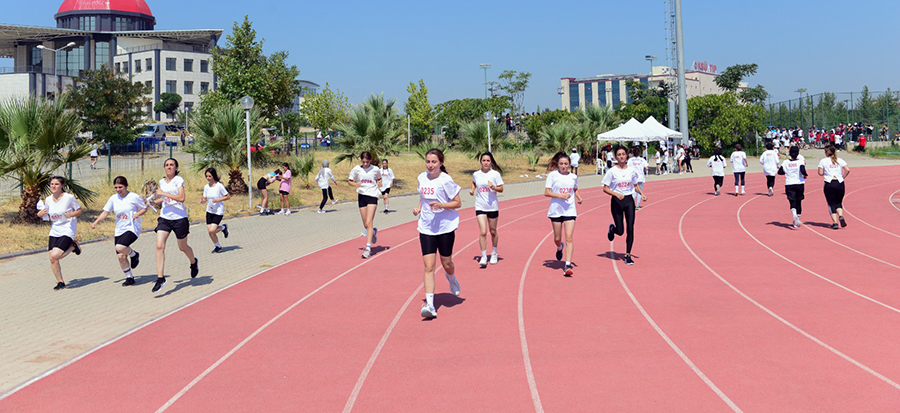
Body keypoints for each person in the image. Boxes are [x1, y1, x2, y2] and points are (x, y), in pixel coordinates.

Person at [414, 148, 462, 318]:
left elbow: (458, 203)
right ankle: (430, 305)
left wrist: (441, 205)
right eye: (428, 161)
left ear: (441, 163)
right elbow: (422, 196)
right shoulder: (421, 177)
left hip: (445, 227)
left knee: (446, 262)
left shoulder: (446, 180)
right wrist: (419, 208)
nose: (430, 165)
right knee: (429, 266)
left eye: (434, 162)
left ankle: (452, 279)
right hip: (426, 227)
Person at [151, 158, 199, 293]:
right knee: (159, 246)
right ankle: (160, 278)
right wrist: (156, 202)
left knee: (182, 247)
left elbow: (181, 198)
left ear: (176, 168)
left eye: (171, 165)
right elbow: (165, 199)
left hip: (179, 218)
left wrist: (163, 193)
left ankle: (193, 262)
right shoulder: (161, 182)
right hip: (165, 217)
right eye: (166, 165)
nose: (169, 167)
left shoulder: (179, 180)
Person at [91, 176, 148, 286]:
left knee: (120, 247)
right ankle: (129, 277)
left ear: (126, 186)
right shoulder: (113, 198)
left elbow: (144, 208)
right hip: (119, 229)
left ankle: (134, 255)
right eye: (116, 187)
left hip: (132, 227)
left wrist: (137, 214)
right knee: (121, 256)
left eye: (120, 187)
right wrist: (96, 221)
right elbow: (106, 212)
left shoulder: (134, 197)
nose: (118, 189)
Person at [603, 145, 646, 266]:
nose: (621, 157)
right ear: (616, 157)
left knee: (631, 228)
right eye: (619, 155)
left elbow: (635, 185)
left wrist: (642, 194)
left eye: (623, 154)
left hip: (629, 201)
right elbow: (605, 188)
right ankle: (612, 229)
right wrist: (616, 194)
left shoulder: (632, 170)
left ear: (627, 155)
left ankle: (628, 255)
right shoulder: (612, 171)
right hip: (617, 201)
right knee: (621, 231)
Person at [37, 176, 82, 290]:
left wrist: (71, 215)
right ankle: (60, 282)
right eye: (52, 184)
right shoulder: (48, 199)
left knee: (56, 255)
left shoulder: (69, 198)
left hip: (68, 227)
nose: (53, 186)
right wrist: (40, 214)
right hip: (55, 229)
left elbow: (79, 210)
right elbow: (45, 214)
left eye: (56, 184)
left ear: (62, 185)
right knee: (52, 258)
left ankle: (72, 246)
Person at [544, 152, 583, 276]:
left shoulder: (573, 177)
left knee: (569, 237)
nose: (563, 166)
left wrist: (578, 196)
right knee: (557, 238)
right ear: (558, 164)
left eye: (566, 164)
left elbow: (575, 188)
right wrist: (560, 195)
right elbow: (547, 192)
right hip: (556, 210)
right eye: (561, 164)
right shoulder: (552, 175)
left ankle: (567, 265)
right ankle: (559, 246)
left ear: (570, 164)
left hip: (570, 209)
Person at [470, 152, 504, 267]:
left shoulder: (495, 174)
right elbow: (474, 182)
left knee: (493, 231)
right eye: (484, 160)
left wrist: (493, 187)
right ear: (480, 162)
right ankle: (484, 256)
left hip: (492, 206)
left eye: (488, 161)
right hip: (480, 206)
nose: (485, 163)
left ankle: (494, 253)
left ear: (491, 162)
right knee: (483, 232)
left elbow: (501, 189)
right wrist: (472, 189)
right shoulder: (476, 174)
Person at [349, 151, 382, 258]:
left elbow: (379, 177)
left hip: (372, 196)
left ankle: (368, 248)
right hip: (362, 196)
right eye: (363, 162)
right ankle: (372, 232)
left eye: (367, 162)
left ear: (370, 160)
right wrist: (355, 184)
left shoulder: (375, 169)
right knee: (366, 225)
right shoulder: (357, 169)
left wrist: (379, 182)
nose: (365, 164)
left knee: (369, 221)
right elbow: (349, 181)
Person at [817, 146, 850, 229]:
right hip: (839, 182)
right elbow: (847, 170)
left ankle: (835, 222)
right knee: (839, 202)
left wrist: (826, 171)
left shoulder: (823, 161)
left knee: (831, 204)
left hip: (829, 183)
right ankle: (841, 216)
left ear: (827, 152)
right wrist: (842, 177)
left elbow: (820, 173)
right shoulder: (840, 160)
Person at [200, 168, 231, 253]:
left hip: (218, 211)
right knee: (210, 232)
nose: (208, 178)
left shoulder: (219, 186)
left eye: (210, 176)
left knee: (212, 230)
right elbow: (205, 198)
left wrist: (218, 200)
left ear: (213, 176)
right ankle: (217, 246)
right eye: (206, 176)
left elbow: (228, 196)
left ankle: (223, 227)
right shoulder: (206, 187)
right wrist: (202, 201)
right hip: (209, 210)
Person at [778, 146, 808, 228]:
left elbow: (780, 172)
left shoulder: (785, 162)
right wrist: (805, 175)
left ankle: (794, 215)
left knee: (792, 201)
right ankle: (797, 218)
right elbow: (802, 170)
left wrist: (787, 172)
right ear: (798, 153)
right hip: (799, 183)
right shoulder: (800, 162)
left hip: (789, 184)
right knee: (799, 201)